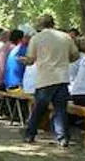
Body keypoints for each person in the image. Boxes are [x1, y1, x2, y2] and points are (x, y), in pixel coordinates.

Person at [21, 14, 79, 148]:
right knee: (60, 109)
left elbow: (30, 59)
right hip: (62, 77)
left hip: (45, 78)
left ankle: (30, 134)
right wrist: (65, 61)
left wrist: (25, 61)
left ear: (40, 25)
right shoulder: (66, 37)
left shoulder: (36, 38)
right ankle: (62, 137)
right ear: (53, 23)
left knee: (39, 109)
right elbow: (75, 55)